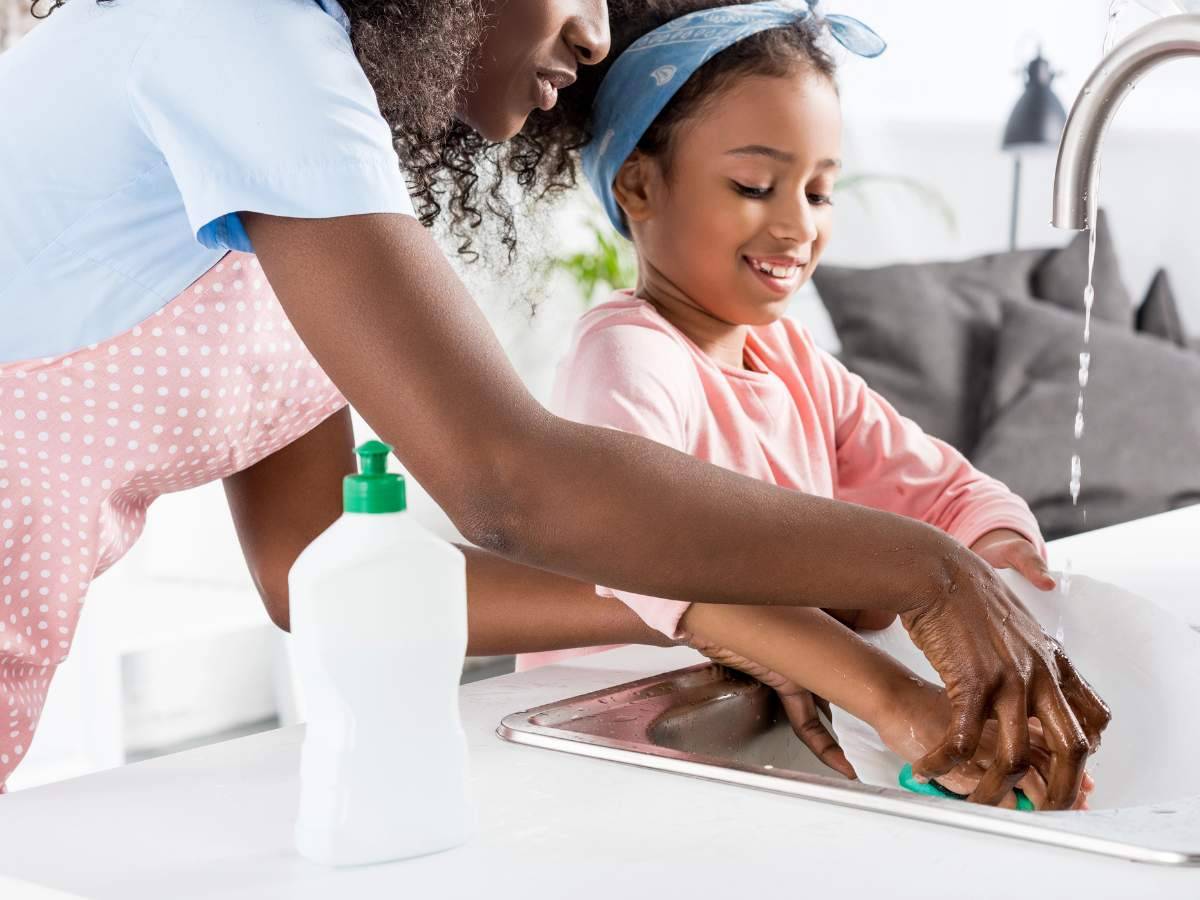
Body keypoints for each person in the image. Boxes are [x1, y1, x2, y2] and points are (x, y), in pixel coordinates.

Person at [0, 0, 1108, 805]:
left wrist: (713, 610)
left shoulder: (308, 137)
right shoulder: (239, 36)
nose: (593, 33)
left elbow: (314, 565)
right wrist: (922, 571)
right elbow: (503, 481)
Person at [518, 1, 1095, 809]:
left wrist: (1002, 574)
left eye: (820, 193)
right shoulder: (628, 356)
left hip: (741, 737)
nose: (796, 224)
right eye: (756, 186)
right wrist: (898, 698)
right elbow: (653, 561)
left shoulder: (790, 362)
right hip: (607, 757)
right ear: (639, 186)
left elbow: (947, 493)